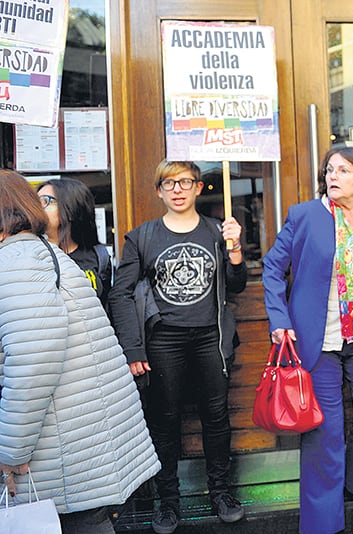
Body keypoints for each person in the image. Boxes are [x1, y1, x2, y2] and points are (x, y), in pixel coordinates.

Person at [0, 170, 160, 534]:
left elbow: (33, 360)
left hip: (60, 449)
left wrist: (10, 451)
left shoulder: (18, 261)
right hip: (79, 441)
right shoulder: (37, 253)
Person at [262, 146, 353, 534]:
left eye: (344, 171)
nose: (333, 176)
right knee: (325, 432)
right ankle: (323, 523)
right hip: (319, 340)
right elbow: (273, 270)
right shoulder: (305, 216)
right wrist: (279, 318)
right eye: (330, 170)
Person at [109, 160, 248, 534]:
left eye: (186, 182)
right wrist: (134, 349)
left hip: (210, 339)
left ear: (199, 188)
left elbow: (236, 286)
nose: (177, 189)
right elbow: (120, 294)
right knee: (164, 420)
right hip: (163, 340)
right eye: (168, 183)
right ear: (159, 191)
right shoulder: (141, 237)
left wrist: (235, 252)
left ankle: (221, 492)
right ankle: (167, 501)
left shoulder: (219, 232)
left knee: (216, 417)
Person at [37, 177, 113, 308]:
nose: (37, 208)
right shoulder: (33, 255)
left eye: (45, 201)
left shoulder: (99, 257)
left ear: (71, 208)